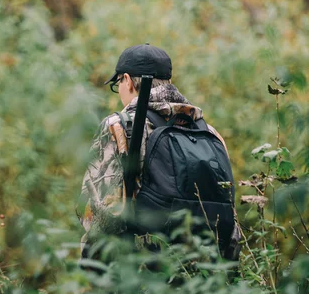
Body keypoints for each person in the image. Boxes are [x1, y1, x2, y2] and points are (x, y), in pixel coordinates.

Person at [76, 43, 242, 260]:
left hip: (141, 272)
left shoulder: (118, 126)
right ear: (168, 81)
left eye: (118, 84)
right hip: (203, 269)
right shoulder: (209, 132)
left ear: (126, 79)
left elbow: (93, 211)